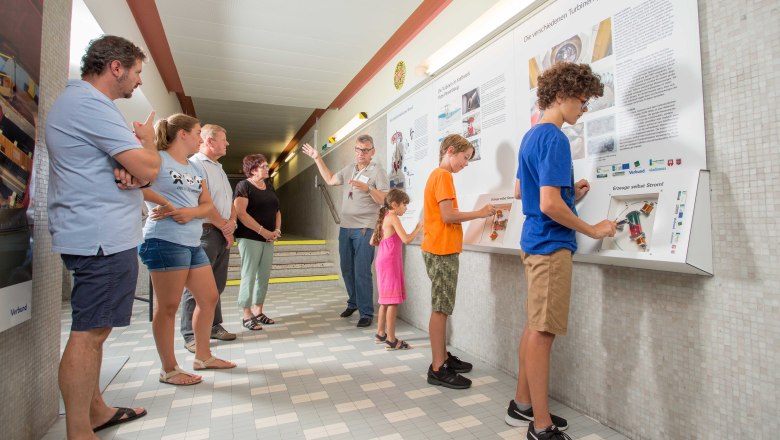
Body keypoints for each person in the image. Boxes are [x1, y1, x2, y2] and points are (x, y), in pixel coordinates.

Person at [46, 35, 158, 438]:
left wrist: (132, 170)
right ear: (116, 67)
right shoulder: (90, 105)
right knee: (89, 333)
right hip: (100, 237)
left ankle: (95, 410)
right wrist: (148, 145)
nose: (139, 81)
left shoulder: (82, 104)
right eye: (137, 72)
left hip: (98, 233)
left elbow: (132, 171)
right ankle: (80, 430)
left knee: (96, 329)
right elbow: (149, 168)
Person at [508, 62, 616, 440]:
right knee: (543, 334)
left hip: (533, 241)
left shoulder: (531, 135)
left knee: (534, 327)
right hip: (551, 247)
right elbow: (549, 203)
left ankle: (522, 404)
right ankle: (541, 426)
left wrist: (571, 192)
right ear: (559, 95)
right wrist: (593, 228)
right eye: (581, 101)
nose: (583, 109)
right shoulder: (555, 138)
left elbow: (523, 192)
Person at [139, 113, 236, 386]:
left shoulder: (194, 168)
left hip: (192, 242)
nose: (199, 138)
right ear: (182, 134)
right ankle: (169, 369)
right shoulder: (158, 159)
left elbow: (206, 205)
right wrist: (167, 206)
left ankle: (203, 357)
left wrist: (188, 212)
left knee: (209, 297)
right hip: (165, 240)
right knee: (168, 306)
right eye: (196, 133)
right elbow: (137, 185)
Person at [422, 134, 494, 390]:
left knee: (442, 307)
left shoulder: (438, 176)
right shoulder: (443, 176)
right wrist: (480, 213)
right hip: (441, 250)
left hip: (440, 248)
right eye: (465, 157)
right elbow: (448, 215)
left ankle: (442, 358)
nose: (466, 163)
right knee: (440, 309)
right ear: (451, 151)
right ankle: (437, 368)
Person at [302, 135, 389, 327]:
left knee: (361, 271)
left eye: (365, 150)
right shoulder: (350, 168)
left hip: (365, 228)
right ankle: (354, 302)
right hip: (345, 227)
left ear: (372, 152)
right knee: (346, 269)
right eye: (358, 149)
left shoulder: (378, 171)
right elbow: (331, 180)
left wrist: (368, 189)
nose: (361, 153)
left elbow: (385, 199)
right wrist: (317, 158)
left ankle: (366, 312)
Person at [180, 124, 237, 354]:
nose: (227, 143)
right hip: (205, 232)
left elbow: (229, 201)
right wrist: (224, 226)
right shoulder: (195, 165)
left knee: (216, 284)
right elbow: (203, 203)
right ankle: (190, 334)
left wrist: (230, 224)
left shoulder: (219, 168)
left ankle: (213, 325)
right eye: (224, 139)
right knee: (196, 286)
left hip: (221, 232)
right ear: (210, 141)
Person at [233, 154, 281, 330]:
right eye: (263, 166)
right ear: (253, 170)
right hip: (249, 237)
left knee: (263, 275)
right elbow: (241, 213)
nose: (267, 168)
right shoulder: (244, 186)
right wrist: (263, 232)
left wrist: (276, 230)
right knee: (249, 275)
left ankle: (258, 311)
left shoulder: (269, 186)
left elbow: (277, 210)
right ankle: (246, 314)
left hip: (268, 238)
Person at [370, 189, 422, 350]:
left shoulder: (385, 216)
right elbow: (406, 239)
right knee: (392, 301)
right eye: (404, 205)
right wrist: (418, 227)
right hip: (390, 263)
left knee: (385, 300)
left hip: (383, 261)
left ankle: (380, 333)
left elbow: (372, 241)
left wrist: (387, 240)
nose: (406, 208)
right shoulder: (392, 217)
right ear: (394, 204)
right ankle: (391, 340)